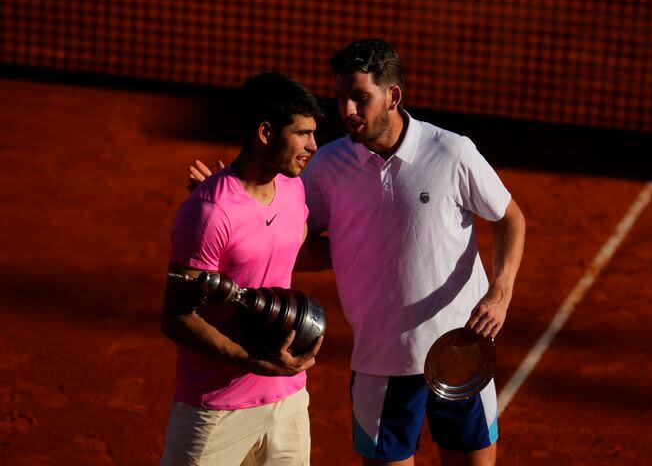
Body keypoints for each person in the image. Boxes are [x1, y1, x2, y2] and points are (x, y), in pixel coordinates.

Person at [190, 39, 525, 466]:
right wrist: (233, 211)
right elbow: (293, 245)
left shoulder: (451, 152)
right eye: (341, 98)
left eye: (360, 98)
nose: (347, 110)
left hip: (460, 350)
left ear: (393, 96)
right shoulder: (327, 168)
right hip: (380, 362)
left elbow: (509, 217)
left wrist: (501, 291)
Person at [161, 72, 324, 466]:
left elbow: (289, 243)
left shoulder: (292, 188)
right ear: (265, 133)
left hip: (287, 398)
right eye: (302, 134)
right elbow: (176, 317)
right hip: (217, 408)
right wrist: (250, 361)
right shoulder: (209, 214)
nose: (313, 146)